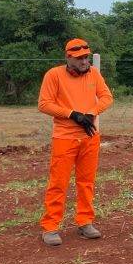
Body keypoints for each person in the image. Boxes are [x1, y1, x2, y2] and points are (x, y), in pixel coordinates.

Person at [36, 38, 114, 246]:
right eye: (79, 58)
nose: (84, 61)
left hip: (89, 136)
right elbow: (44, 104)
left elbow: (107, 97)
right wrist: (72, 114)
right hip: (64, 137)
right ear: (68, 57)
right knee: (58, 183)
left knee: (86, 181)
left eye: (86, 57)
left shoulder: (94, 74)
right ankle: (50, 227)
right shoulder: (54, 75)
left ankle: (85, 222)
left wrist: (91, 112)